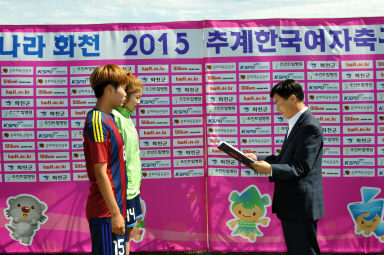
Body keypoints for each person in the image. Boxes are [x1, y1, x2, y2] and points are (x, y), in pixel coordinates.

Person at [245, 79, 324, 255]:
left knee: (304, 251)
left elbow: (301, 167)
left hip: (300, 207)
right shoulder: (298, 124)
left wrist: (270, 169)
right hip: (293, 206)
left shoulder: (309, 126)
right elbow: (283, 159)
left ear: (293, 98)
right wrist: (256, 158)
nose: (277, 108)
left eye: (278, 102)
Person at [83, 64, 129, 255]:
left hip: (115, 208)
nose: (126, 94)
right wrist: (115, 214)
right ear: (109, 90)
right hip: (105, 213)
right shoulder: (97, 121)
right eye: (123, 89)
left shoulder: (109, 117)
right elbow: (101, 172)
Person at [111, 71, 144, 254]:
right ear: (125, 95)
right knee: (119, 236)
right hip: (122, 191)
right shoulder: (115, 118)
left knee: (128, 233)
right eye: (136, 97)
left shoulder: (127, 118)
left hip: (132, 189)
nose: (139, 102)